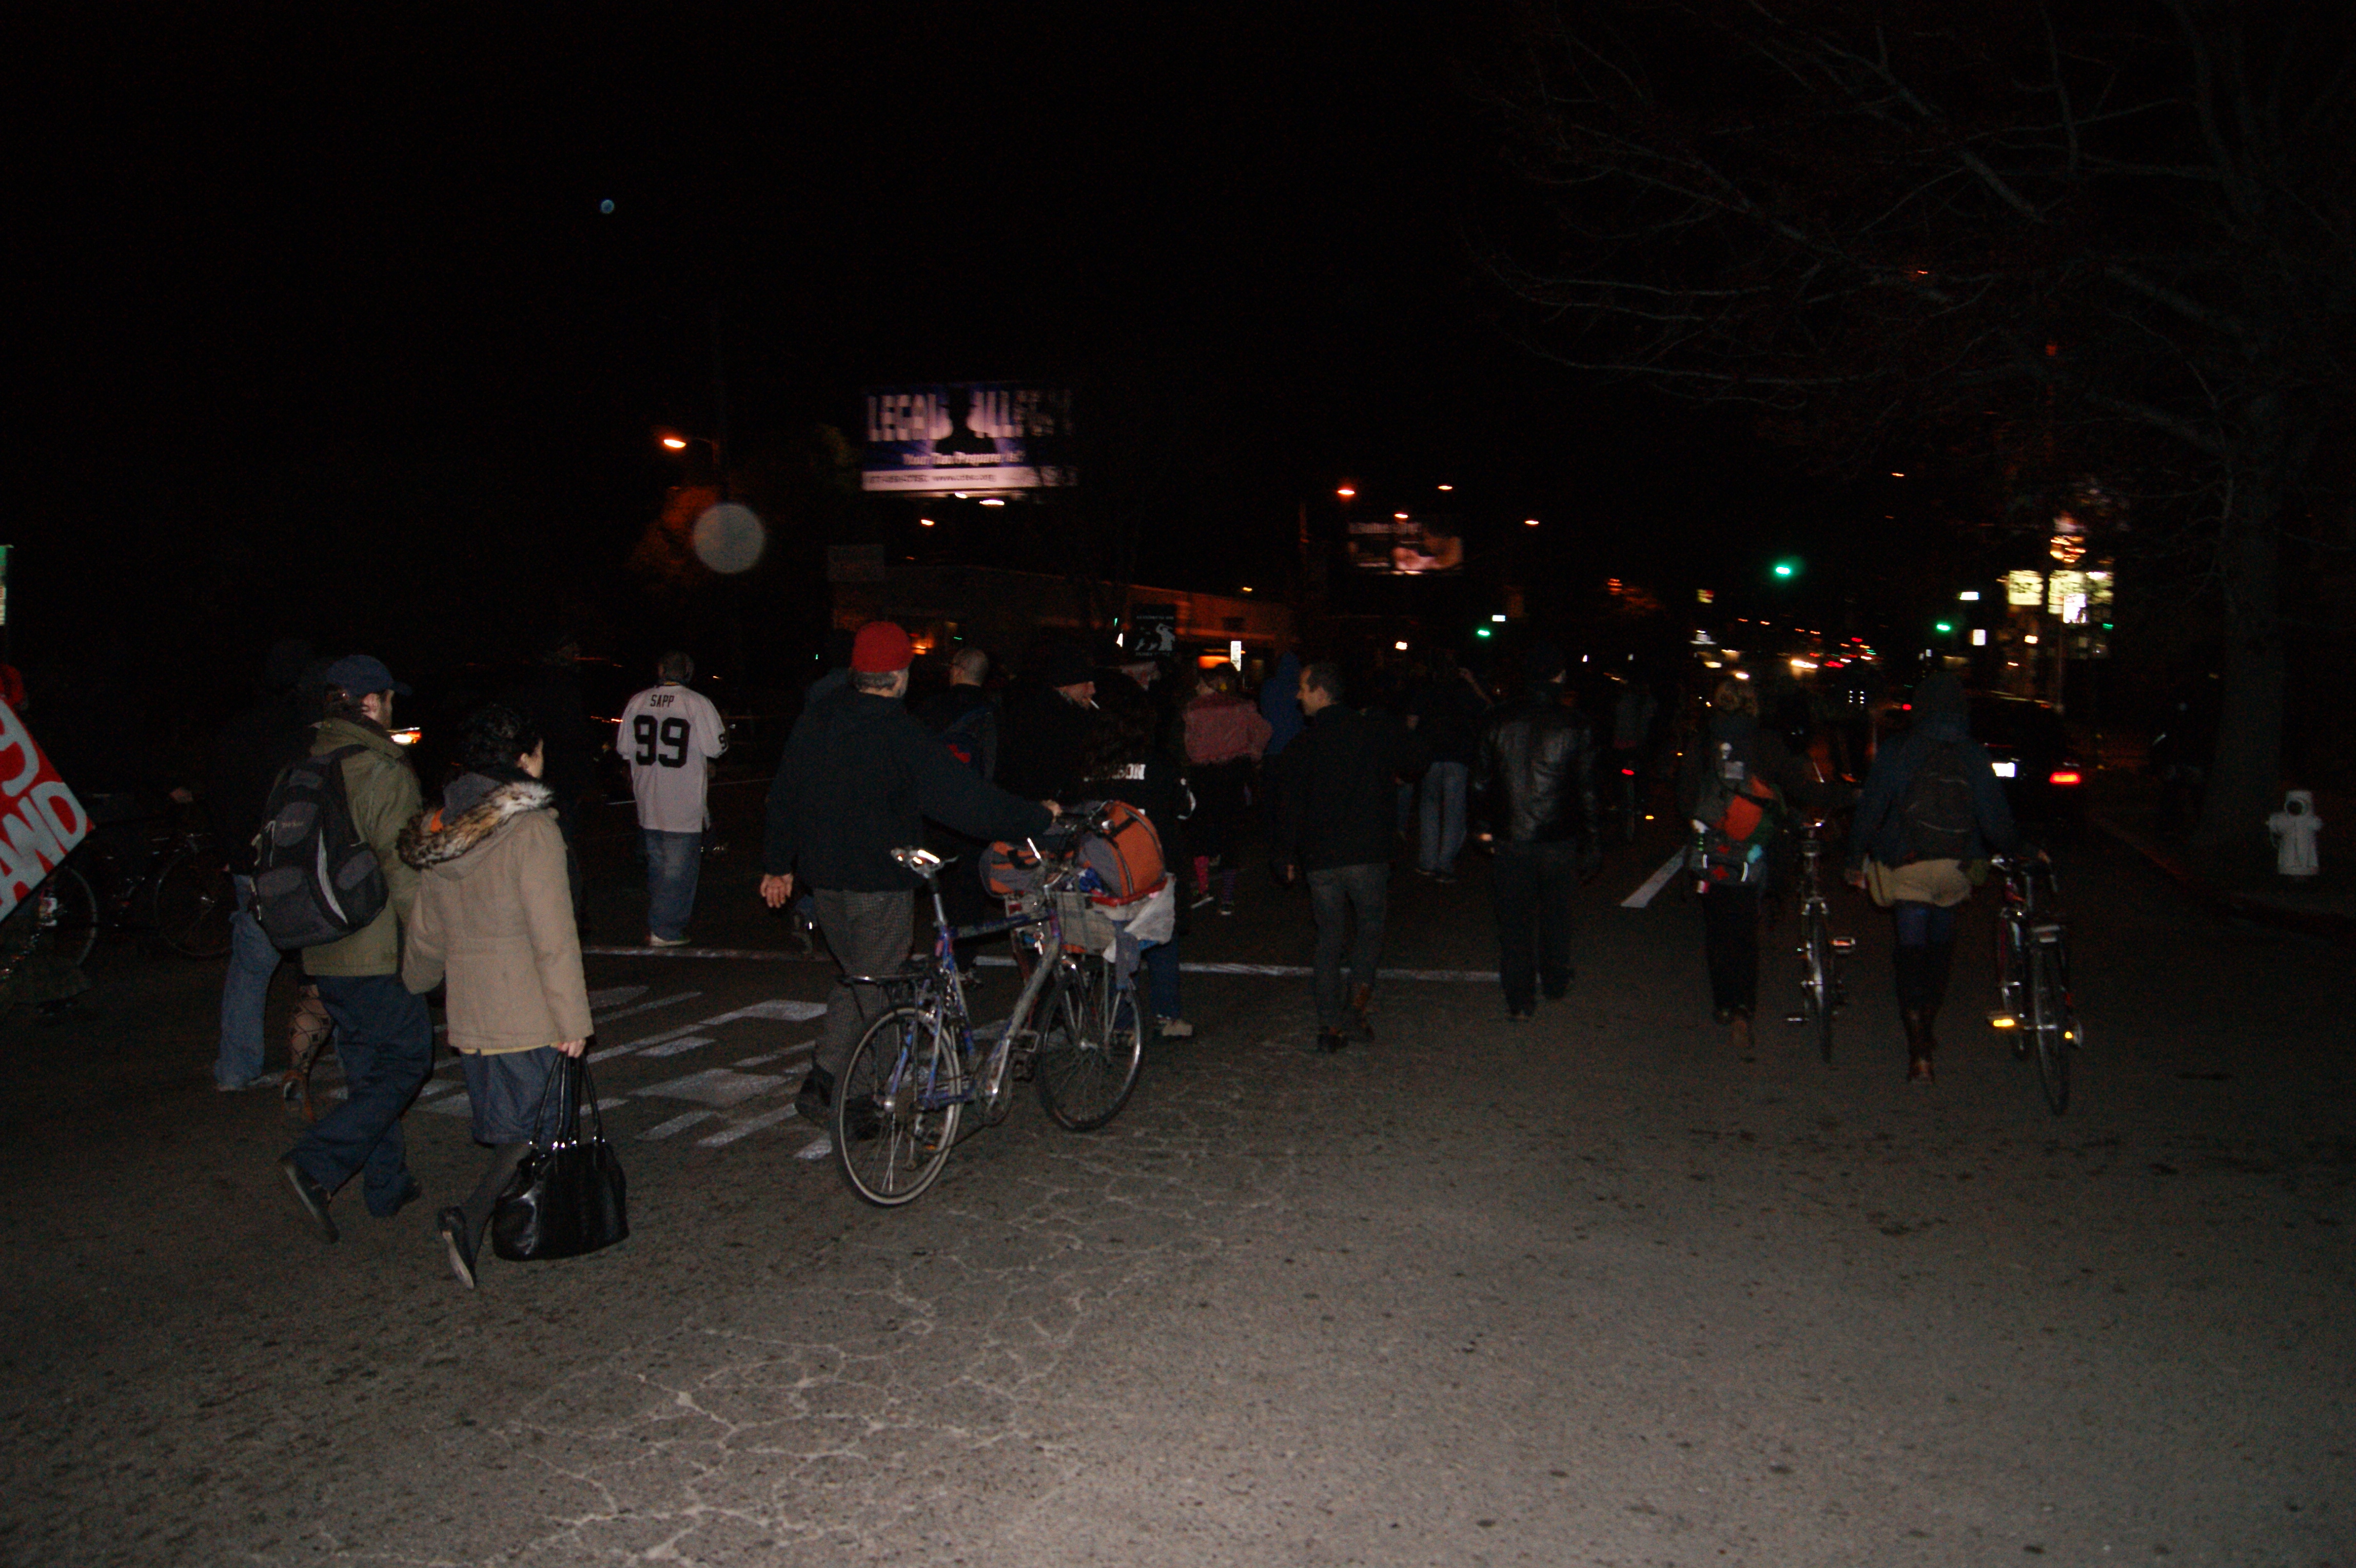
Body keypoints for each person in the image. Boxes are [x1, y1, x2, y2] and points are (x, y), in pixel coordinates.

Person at [760, 622, 1060, 1124]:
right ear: (900, 675)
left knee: (859, 976)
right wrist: (1035, 817)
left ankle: (829, 1080)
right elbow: (966, 802)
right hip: (878, 881)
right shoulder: (899, 731)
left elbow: (785, 791)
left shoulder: (818, 718)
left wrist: (777, 865)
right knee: (879, 990)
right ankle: (857, 1097)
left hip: (824, 877)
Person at [398, 704, 590, 1288]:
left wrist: (415, 981)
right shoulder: (532, 830)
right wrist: (573, 1019)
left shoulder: (445, 832)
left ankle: (520, 1225)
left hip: (473, 1013)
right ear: (524, 759)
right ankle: (473, 1216)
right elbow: (553, 935)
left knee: (520, 1127)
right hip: (529, 1009)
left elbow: (426, 930)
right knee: (539, 1126)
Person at [277, 656, 429, 1244]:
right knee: (407, 1061)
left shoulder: (304, 764)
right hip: (376, 949)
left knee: (369, 1069)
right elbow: (404, 870)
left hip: (322, 945)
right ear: (370, 702)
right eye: (388, 698)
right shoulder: (380, 768)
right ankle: (316, 1163)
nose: (392, 708)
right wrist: (430, 946)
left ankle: (386, 1185)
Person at [1844, 672, 2018, 1083]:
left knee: (1910, 953)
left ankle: (1918, 1047)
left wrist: (1854, 857)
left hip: (1907, 865)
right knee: (1940, 953)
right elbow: (1995, 818)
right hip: (1956, 868)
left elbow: (1872, 810)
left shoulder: (1898, 750)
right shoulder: (1973, 754)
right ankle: (1930, 1023)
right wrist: (2018, 848)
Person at [1677, 676, 1836, 1052]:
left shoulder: (1702, 743)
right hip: (1753, 853)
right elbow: (1802, 790)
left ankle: (1723, 1004)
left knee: (1717, 931)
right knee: (1745, 931)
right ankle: (1744, 1008)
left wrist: (1712, 818)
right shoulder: (1767, 744)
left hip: (1713, 851)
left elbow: (1685, 800)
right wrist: (1847, 794)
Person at [1272, 661, 1422, 1053]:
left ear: (1322, 693)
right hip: (1368, 852)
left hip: (1322, 856)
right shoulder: (1373, 732)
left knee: (1329, 936)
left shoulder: (1304, 745)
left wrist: (1285, 852)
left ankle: (1330, 1025)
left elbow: (1289, 804)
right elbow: (1413, 760)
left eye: (1304, 688)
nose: (1298, 696)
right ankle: (1356, 1007)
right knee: (1370, 928)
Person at [204, 638, 317, 1091]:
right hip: (292, 863)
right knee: (326, 961)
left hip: (249, 864)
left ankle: (235, 1068)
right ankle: (355, 1065)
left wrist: (231, 855)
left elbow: (219, 798)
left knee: (252, 965)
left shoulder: (236, 730)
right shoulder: (305, 731)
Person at [1474, 643, 1599, 1019]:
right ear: (1558, 677)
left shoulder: (1497, 719)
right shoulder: (1575, 724)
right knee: (1556, 913)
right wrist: (1593, 839)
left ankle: (1520, 999)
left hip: (1512, 833)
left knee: (1514, 920)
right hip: (1558, 834)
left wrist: (1482, 827)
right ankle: (1555, 980)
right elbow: (1588, 788)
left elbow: (1481, 781)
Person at [1082, 679, 1195, 1038]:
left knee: (1116, 941)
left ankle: (1120, 1023)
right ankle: (1167, 1016)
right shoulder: (1160, 764)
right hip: (1154, 868)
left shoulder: (1092, 768)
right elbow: (1185, 809)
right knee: (1161, 937)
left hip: (1108, 870)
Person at [617, 652, 728, 947]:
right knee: (678, 873)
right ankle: (665, 929)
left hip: (648, 800)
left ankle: (660, 921)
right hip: (683, 803)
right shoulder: (697, 703)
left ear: (661, 669)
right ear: (688, 672)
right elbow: (717, 747)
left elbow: (625, 749)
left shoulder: (637, 702)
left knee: (659, 868)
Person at [1181, 664, 1271, 915]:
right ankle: (1228, 897)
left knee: (1200, 832)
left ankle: (1203, 889)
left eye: (1201, 684)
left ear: (1211, 685)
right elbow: (1264, 731)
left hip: (1204, 776)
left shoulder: (1194, 710)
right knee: (1230, 833)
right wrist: (1251, 753)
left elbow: (1190, 748)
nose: (1197, 688)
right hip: (1233, 774)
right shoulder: (1242, 707)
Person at [1408, 650, 1491, 880]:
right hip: (1458, 758)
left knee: (1429, 810)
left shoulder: (1425, 691)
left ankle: (1428, 861)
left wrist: (1410, 754)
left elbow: (1411, 724)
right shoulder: (1464, 692)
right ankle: (1444, 864)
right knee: (1454, 813)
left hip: (1431, 759)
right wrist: (1473, 683)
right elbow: (1489, 709)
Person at [996, 641, 1098, 805]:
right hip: (1054, 808)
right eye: (1086, 683)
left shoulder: (1025, 709)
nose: (1093, 690)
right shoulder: (1072, 721)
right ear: (1066, 685)